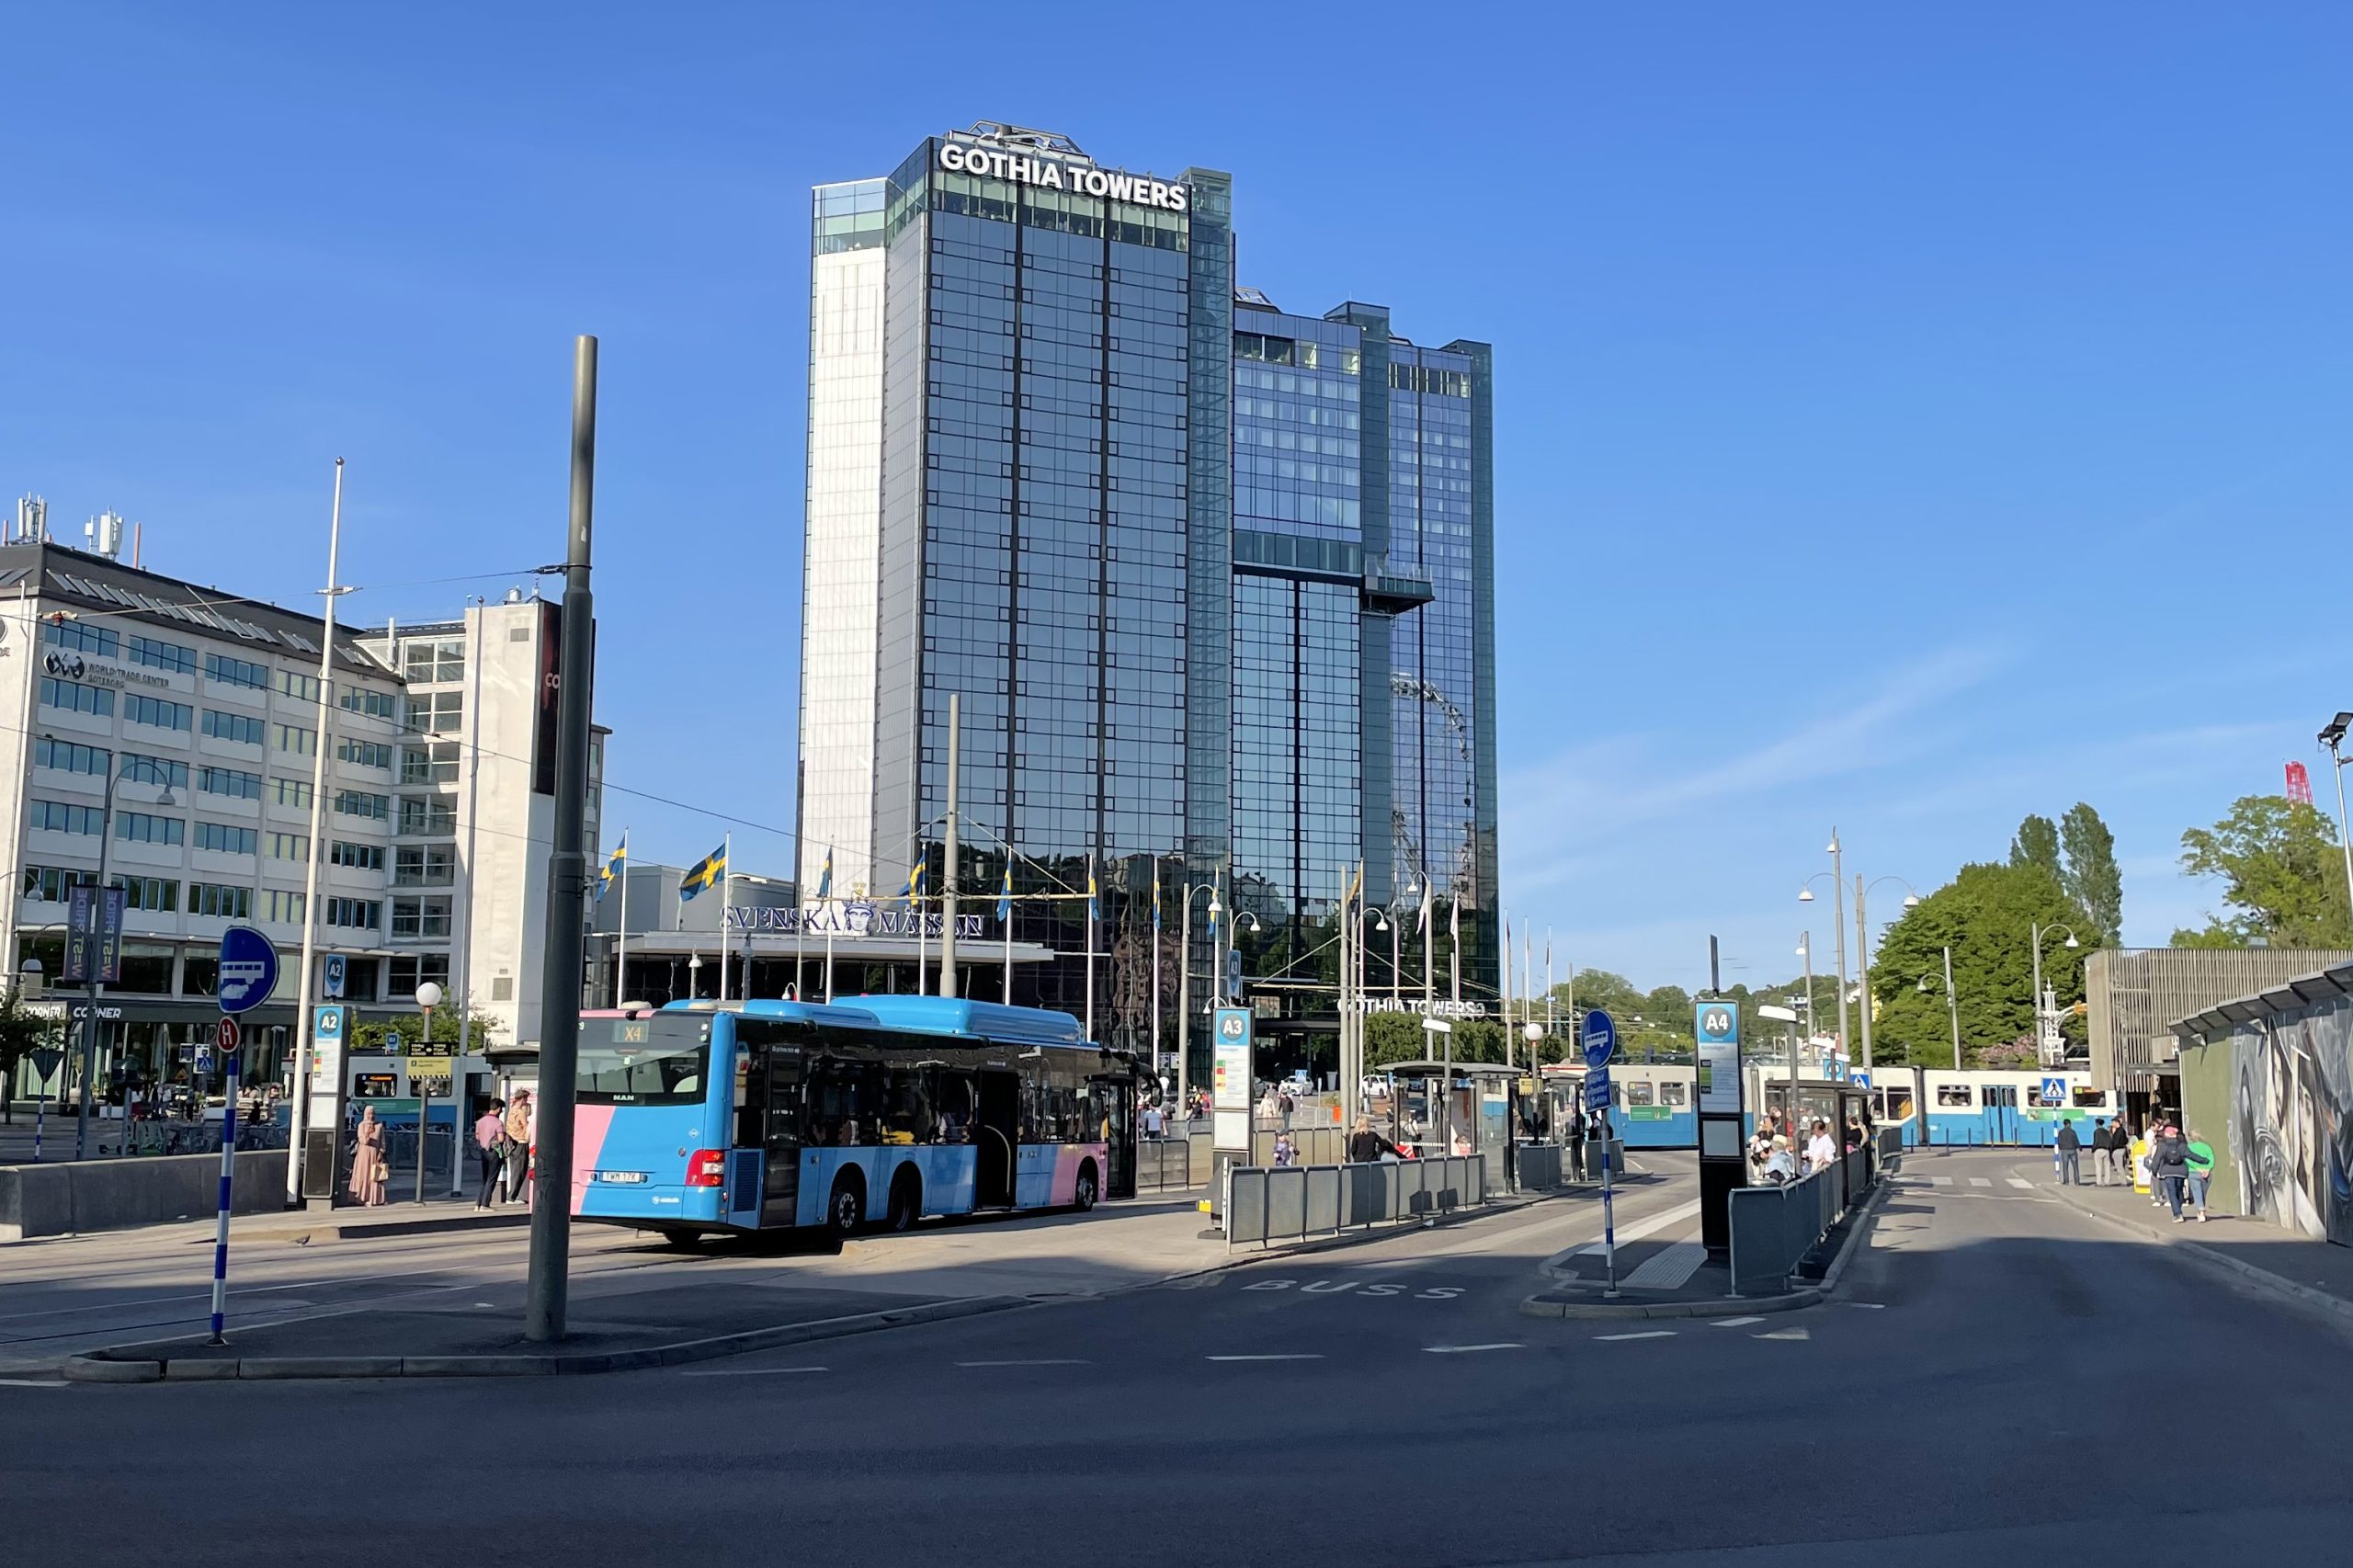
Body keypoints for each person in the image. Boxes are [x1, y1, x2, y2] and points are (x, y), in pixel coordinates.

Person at [348, 1106, 388, 1207]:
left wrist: (381, 1152)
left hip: (375, 1153)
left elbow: (382, 1141)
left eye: (373, 1113)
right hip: (363, 1154)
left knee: (374, 1176)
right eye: (369, 1114)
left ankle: (374, 1198)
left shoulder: (379, 1126)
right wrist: (368, 1132)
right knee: (363, 1174)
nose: (371, 1116)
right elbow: (363, 1141)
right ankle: (362, 1198)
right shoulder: (361, 1125)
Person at [2151, 1120, 2190, 1221]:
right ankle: (2179, 1207)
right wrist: (2203, 1161)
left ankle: (2177, 1214)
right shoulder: (2182, 1143)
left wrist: (2154, 1170)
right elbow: (2189, 1155)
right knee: (2179, 1191)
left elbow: (2157, 1158)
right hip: (2181, 1170)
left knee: (2172, 1192)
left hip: (2168, 1171)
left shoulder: (2163, 1145)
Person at [473, 1098, 507, 1208]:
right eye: (501, 1109)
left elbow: (477, 1136)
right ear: (498, 1109)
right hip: (494, 1152)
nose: (501, 1111)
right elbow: (501, 1139)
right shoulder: (498, 1123)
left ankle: (478, 1203)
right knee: (491, 1178)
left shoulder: (480, 1121)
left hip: (483, 1151)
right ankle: (485, 1204)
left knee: (484, 1178)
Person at [503, 1090, 533, 1208]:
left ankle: (512, 1195)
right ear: (523, 1099)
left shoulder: (511, 1110)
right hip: (521, 1142)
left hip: (512, 1142)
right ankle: (512, 1196)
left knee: (515, 1170)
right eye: (526, 1099)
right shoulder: (520, 1112)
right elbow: (526, 1127)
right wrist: (528, 1138)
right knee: (520, 1170)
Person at [2185, 1127, 2216, 1221]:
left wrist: (2197, 1168)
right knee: (2203, 1192)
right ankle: (2201, 1209)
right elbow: (2212, 1158)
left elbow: (2186, 1159)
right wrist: (2207, 1169)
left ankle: (2201, 1210)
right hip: (2207, 1173)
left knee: (2197, 1191)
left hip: (2193, 1172)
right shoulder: (2206, 1147)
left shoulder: (2188, 1147)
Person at [2056, 1117, 2082, 1186]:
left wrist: (2061, 1147)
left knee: (2065, 1166)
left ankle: (2066, 1181)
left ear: (2064, 1124)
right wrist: (2080, 1148)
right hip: (2073, 1150)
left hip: (2064, 1150)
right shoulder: (2073, 1132)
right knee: (2075, 1167)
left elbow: (2059, 1141)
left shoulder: (2061, 1132)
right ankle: (2077, 1182)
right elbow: (2076, 1141)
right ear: (2069, 1124)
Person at [2089, 1119, 2112, 1186]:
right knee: (2107, 1166)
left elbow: (2096, 1141)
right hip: (2106, 1150)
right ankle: (2107, 1181)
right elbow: (2110, 1141)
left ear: (2097, 1124)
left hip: (2098, 1150)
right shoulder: (2107, 1131)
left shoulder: (2096, 1131)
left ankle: (2099, 1182)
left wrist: (2093, 1149)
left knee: (2098, 1166)